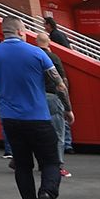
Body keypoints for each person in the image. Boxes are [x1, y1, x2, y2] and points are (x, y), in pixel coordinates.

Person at [0, 17, 64, 199]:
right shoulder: (37, 52)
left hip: (11, 120)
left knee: (23, 167)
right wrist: (67, 106)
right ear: (20, 31)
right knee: (51, 162)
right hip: (38, 118)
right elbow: (58, 82)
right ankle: (47, 192)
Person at [28, 30, 71, 177]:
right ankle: (57, 166)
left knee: (37, 132)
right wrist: (68, 107)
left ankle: (41, 162)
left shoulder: (30, 58)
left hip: (34, 97)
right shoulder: (53, 58)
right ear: (49, 43)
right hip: (52, 97)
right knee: (57, 133)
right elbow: (61, 83)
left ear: (36, 43)